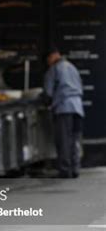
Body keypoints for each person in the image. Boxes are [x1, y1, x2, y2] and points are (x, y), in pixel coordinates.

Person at [44, 47, 84, 178]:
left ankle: (65, 170)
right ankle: (75, 168)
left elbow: (48, 93)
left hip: (63, 107)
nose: (48, 62)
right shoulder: (72, 67)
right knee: (75, 139)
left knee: (64, 140)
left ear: (52, 56)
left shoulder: (53, 70)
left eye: (48, 59)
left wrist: (46, 102)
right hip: (78, 107)